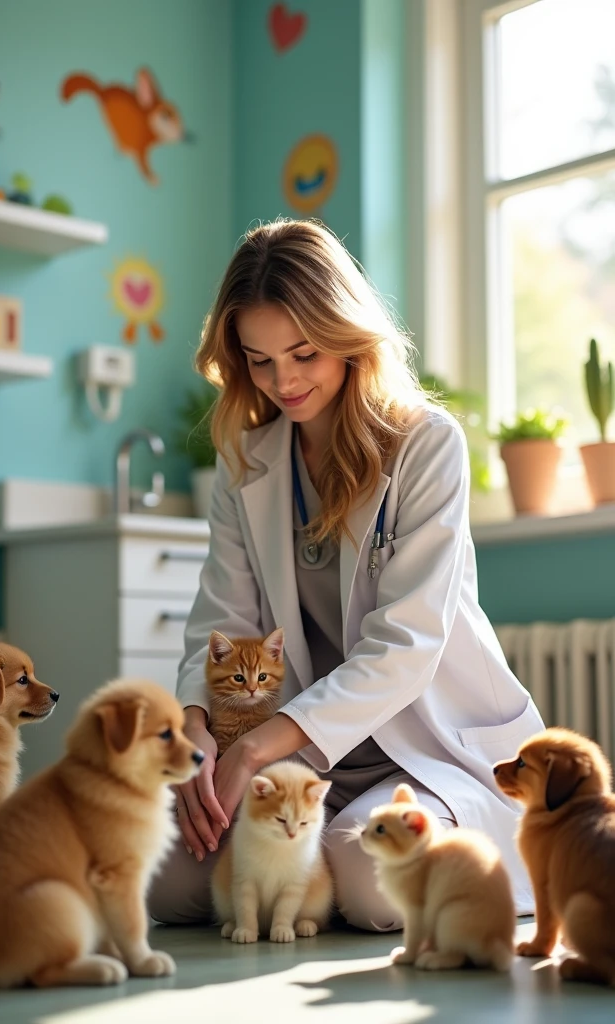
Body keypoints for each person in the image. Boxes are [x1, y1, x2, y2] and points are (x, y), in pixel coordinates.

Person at [148, 219, 542, 930]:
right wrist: (198, 726)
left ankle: (490, 853)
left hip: (423, 746)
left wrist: (262, 747)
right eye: (259, 360)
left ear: (348, 333)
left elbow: (405, 647)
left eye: (304, 352)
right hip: (301, 760)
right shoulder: (247, 459)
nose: (284, 380)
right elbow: (221, 620)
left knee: (366, 876)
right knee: (165, 878)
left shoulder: (427, 445)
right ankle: (301, 875)